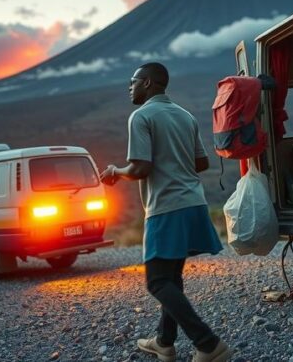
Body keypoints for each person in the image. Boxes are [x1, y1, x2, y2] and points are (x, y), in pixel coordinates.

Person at [99, 62, 231, 362]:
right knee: (171, 277)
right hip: (193, 203)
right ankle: (164, 341)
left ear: (147, 83)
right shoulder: (184, 116)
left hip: (165, 207)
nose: (129, 87)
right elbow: (201, 164)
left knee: (157, 281)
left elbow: (141, 167)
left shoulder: (141, 116)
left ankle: (208, 344)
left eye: (132, 81)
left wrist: (115, 172)